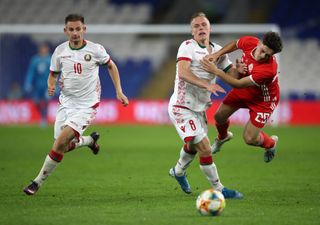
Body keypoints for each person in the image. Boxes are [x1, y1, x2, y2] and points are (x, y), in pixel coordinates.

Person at [23, 14, 129, 195]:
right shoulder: (59, 51)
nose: (75, 33)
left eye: (78, 29)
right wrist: (50, 84)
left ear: (84, 29)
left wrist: (119, 91)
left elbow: (111, 66)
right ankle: (89, 141)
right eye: (71, 29)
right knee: (62, 146)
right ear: (65, 31)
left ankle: (36, 182)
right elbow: (53, 74)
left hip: (87, 106)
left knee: (59, 145)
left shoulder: (96, 49)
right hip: (66, 104)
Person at [168, 12, 243, 199]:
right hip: (181, 106)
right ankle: (219, 189)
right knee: (205, 148)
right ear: (192, 32)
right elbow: (183, 73)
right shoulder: (187, 47)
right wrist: (207, 84)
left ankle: (177, 171)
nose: (200, 28)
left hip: (199, 108)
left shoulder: (217, 50)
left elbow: (231, 75)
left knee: (193, 147)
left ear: (210, 28)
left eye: (204, 25)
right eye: (196, 26)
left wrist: (239, 72)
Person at [200, 31, 283, 163]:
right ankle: (223, 137)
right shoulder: (250, 42)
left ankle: (271, 144)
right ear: (260, 42)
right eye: (263, 51)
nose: (263, 56)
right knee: (219, 117)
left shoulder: (269, 70)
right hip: (246, 90)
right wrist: (216, 55)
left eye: (268, 55)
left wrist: (216, 71)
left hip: (264, 100)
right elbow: (235, 44)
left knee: (249, 139)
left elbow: (238, 84)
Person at [23, 43, 52, 127]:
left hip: (47, 85)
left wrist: (54, 84)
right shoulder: (35, 60)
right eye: (42, 48)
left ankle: (44, 119)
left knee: (46, 100)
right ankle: (42, 116)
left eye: (44, 48)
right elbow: (30, 72)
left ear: (47, 49)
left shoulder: (50, 59)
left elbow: (54, 73)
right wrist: (28, 83)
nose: (43, 50)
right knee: (36, 102)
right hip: (37, 86)